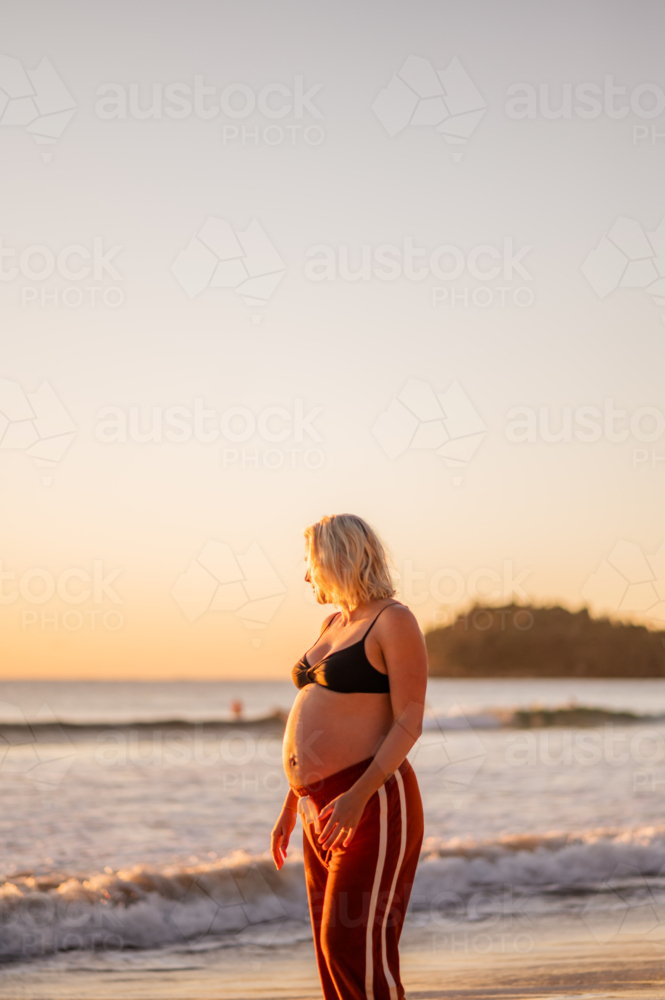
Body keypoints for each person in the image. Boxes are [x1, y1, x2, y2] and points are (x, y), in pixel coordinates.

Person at [271, 514, 427, 1000]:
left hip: (373, 799)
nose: (305, 576)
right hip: (320, 808)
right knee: (328, 949)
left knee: (353, 945)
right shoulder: (333, 623)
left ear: (337, 558)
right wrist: (291, 803)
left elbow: (410, 720)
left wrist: (359, 796)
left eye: (309, 563)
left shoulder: (393, 620)